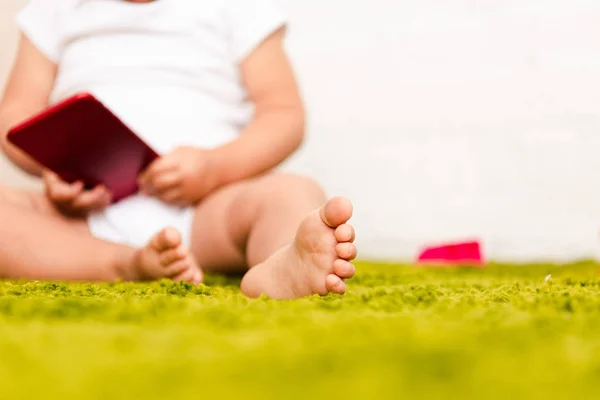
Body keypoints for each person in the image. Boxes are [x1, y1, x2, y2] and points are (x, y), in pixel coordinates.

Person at [0, 0, 357, 299]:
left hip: (208, 211)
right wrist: (55, 166)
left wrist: (215, 167)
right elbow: (13, 117)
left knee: (292, 191)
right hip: (78, 222)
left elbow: (284, 115)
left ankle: (282, 260)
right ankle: (125, 263)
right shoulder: (53, 8)